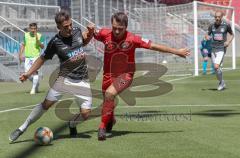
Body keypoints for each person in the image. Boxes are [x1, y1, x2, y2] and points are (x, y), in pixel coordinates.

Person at [93, 12, 190, 141]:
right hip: (107, 74)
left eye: (120, 29)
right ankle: (111, 119)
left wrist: (177, 51)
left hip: (125, 75)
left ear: (126, 27)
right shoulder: (105, 33)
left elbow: (154, 46)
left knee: (110, 94)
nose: (116, 31)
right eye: (114, 27)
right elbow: (91, 34)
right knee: (107, 99)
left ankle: (102, 128)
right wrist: (88, 31)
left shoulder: (133, 39)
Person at [9, 10, 95, 142]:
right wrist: (28, 74)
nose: (70, 28)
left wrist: (90, 33)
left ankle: (72, 124)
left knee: (85, 114)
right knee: (46, 104)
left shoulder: (77, 31)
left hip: (82, 80)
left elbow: (83, 42)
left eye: (70, 24)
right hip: (64, 79)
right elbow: (41, 59)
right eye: (66, 26)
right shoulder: (55, 42)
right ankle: (22, 128)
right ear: (59, 27)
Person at [206, 11, 234, 90]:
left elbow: (232, 34)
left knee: (216, 66)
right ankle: (222, 82)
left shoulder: (226, 25)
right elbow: (207, 34)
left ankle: (221, 83)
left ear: (221, 17)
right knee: (216, 69)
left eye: (218, 17)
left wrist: (228, 41)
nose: (217, 18)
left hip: (221, 49)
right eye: (216, 17)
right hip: (213, 49)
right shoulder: (211, 25)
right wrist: (207, 37)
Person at [19, 23, 44, 94]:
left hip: (36, 57)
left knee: (35, 72)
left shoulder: (40, 36)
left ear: (36, 29)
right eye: (32, 29)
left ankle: (33, 89)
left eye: (34, 29)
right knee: (27, 74)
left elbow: (42, 47)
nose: (33, 30)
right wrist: (20, 54)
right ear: (29, 29)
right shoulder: (26, 35)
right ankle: (36, 84)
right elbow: (23, 45)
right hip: (27, 57)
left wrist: (37, 40)